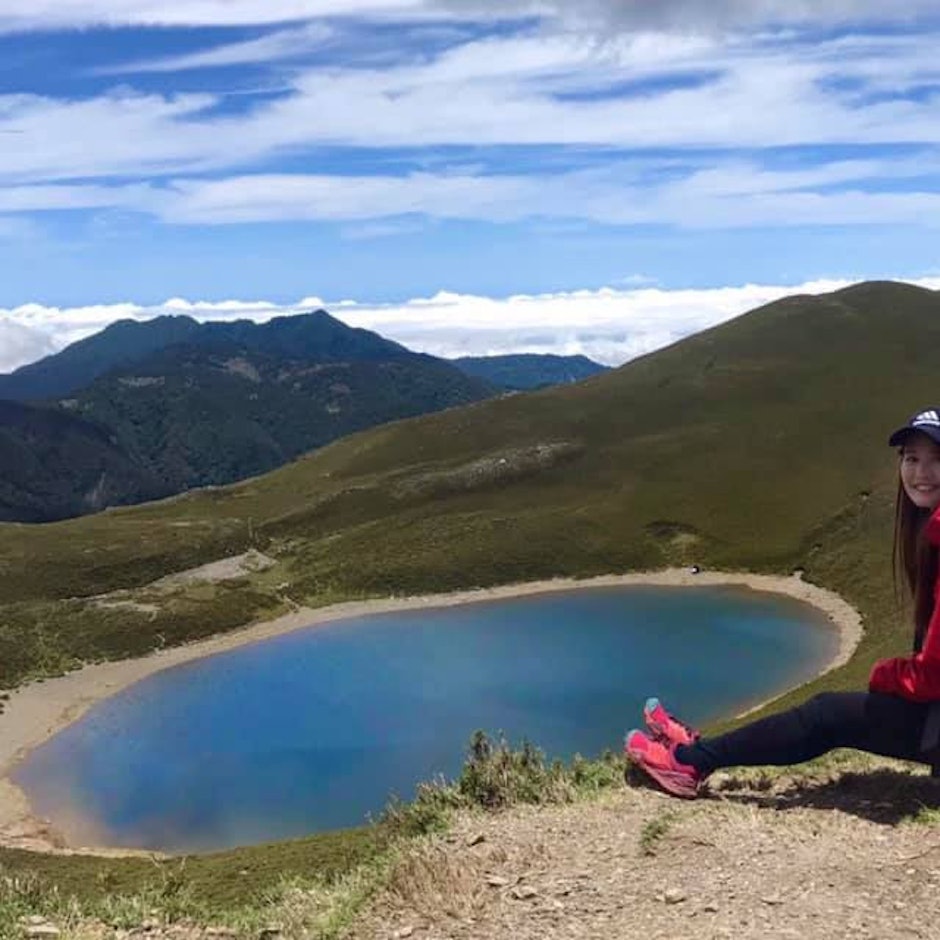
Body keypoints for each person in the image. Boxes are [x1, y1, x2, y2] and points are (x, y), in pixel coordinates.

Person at [624, 407, 940, 798]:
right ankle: (693, 750)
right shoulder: (932, 532)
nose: (921, 473)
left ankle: (687, 762)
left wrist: (884, 674)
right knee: (838, 714)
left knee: (826, 714)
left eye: (936, 460)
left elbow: (932, 677)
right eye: (912, 459)